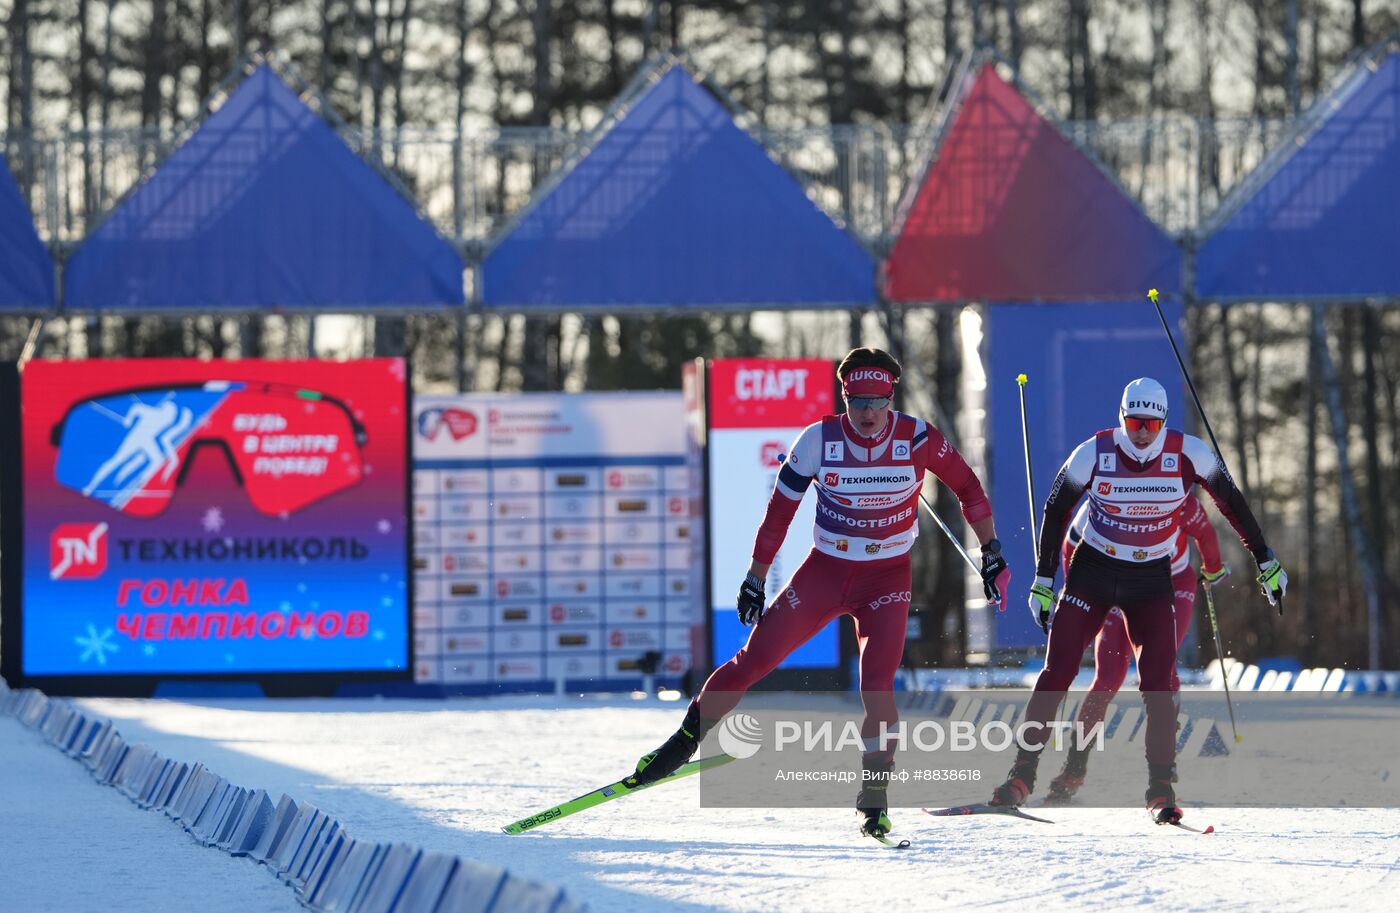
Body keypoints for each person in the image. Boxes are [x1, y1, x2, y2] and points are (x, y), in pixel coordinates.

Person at [627, 348, 1011, 839]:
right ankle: (679, 745)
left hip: (887, 579)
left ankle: (874, 798)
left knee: (877, 683)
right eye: (857, 402)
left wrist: (992, 550)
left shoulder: (917, 437)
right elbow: (779, 513)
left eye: (878, 401)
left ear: (890, 397)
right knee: (754, 660)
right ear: (845, 400)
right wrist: (755, 576)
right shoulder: (818, 440)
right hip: (826, 573)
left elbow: (969, 489)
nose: (868, 413)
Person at [989, 377, 1287, 824]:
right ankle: (1021, 775)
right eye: (1133, 421)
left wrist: (1265, 558)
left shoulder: (1190, 454)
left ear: (1163, 422)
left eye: (1150, 423)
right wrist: (1044, 580)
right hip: (1092, 571)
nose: (1142, 432)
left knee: (1159, 683)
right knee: (1058, 671)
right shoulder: (1094, 451)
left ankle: (1160, 788)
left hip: (1150, 577)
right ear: (1121, 417)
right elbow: (1056, 510)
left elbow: (1231, 504)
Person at [1043, 494, 1229, 803]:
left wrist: (1213, 569)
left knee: (1162, 669)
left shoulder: (1180, 501)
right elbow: (1070, 542)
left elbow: (1205, 534)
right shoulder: (1104, 498)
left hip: (1172, 584)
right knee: (1107, 678)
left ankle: (1163, 769)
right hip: (1116, 585)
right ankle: (1074, 769)